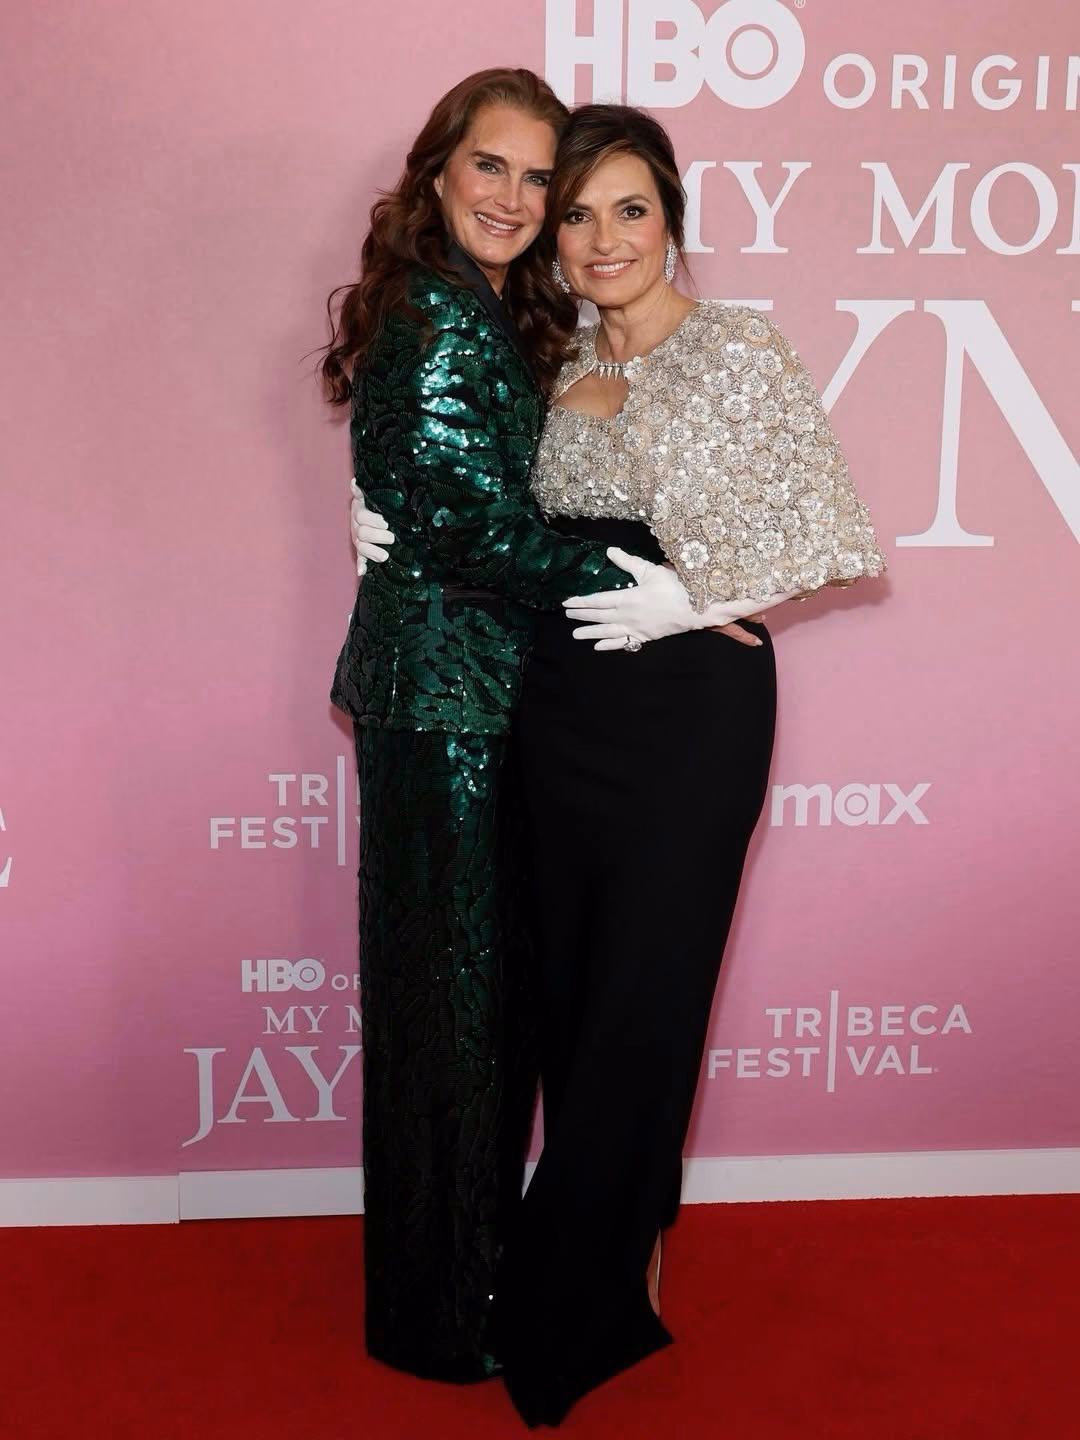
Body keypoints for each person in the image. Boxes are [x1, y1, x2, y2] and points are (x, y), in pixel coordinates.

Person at [349, 102, 886, 1426]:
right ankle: (612, 1270)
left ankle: (580, 1299)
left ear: (672, 222)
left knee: (648, 1000)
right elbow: (470, 497)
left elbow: (830, 533)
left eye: (627, 208)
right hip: (556, 710)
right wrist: (382, 517)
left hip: (687, 711)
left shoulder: (737, 346)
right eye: (575, 211)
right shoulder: (550, 356)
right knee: (575, 1006)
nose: (600, 238)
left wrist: (694, 601)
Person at [320, 72, 763, 1385]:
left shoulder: (492, 308)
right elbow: (478, 527)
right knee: (450, 1021)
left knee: (475, 1014)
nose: (515, 200)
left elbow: (469, 488)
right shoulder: (438, 310)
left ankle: (467, 1284)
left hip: (487, 698)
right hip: (443, 704)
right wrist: (667, 591)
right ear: (438, 171)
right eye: (492, 168)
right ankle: (443, 1317)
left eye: (538, 181)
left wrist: (395, 500)